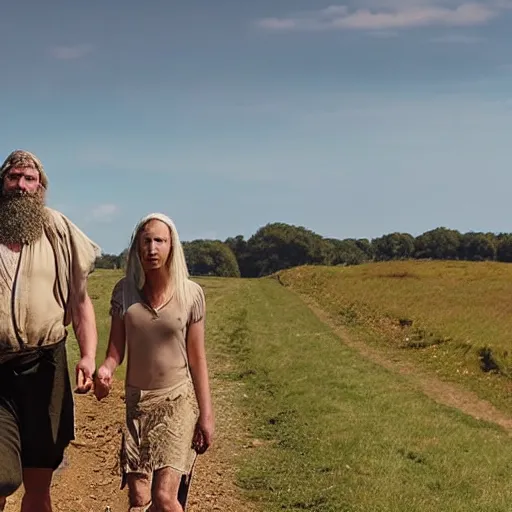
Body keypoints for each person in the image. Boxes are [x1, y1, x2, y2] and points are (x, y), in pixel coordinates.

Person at [0, 150, 101, 511]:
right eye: (13, 177)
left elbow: (80, 301)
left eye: (30, 179)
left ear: (41, 187)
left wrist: (88, 356)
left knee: (39, 484)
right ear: (3, 183)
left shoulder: (56, 229)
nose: (21, 186)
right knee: (1, 477)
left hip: (46, 369)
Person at [94, 213, 214, 512]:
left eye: (159, 241)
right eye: (145, 241)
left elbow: (198, 360)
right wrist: (105, 370)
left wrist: (206, 415)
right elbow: (114, 352)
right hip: (137, 405)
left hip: (177, 402)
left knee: (163, 498)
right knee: (139, 500)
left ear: (172, 246)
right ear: (136, 247)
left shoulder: (191, 294)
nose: (152, 248)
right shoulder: (124, 292)